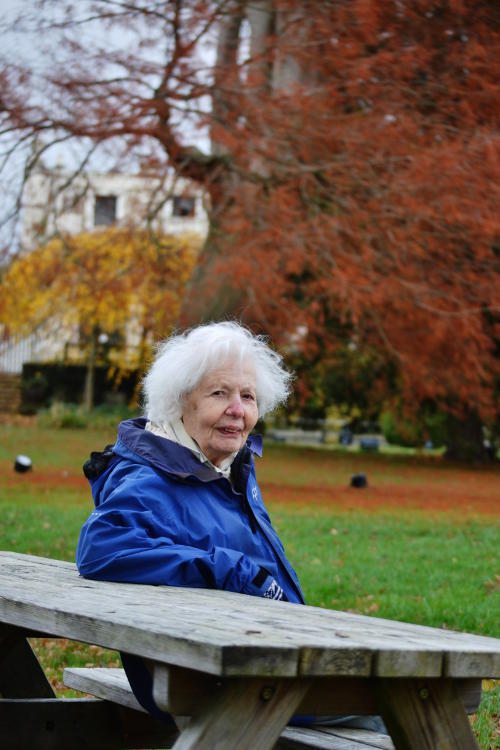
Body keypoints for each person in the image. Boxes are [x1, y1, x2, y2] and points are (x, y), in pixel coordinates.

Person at [76, 320, 386, 734]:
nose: (237, 410)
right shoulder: (154, 479)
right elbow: (100, 545)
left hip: (243, 664)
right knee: (384, 708)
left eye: (248, 396)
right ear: (179, 400)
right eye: (219, 393)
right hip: (211, 680)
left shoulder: (224, 469)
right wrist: (230, 570)